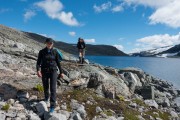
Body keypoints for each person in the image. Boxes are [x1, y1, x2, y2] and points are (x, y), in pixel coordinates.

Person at [36, 38, 63, 113]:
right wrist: (38, 70)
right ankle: (46, 98)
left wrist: (61, 72)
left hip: (53, 71)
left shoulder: (55, 52)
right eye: (48, 43)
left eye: (51, 43)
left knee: (53, 88)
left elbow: (58, 62)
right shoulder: (42, 52)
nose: (49, 44)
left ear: (52, 44)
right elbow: (38, 62)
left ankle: (52, 106)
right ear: (46, 43)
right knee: (45, 86)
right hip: (44, 71)